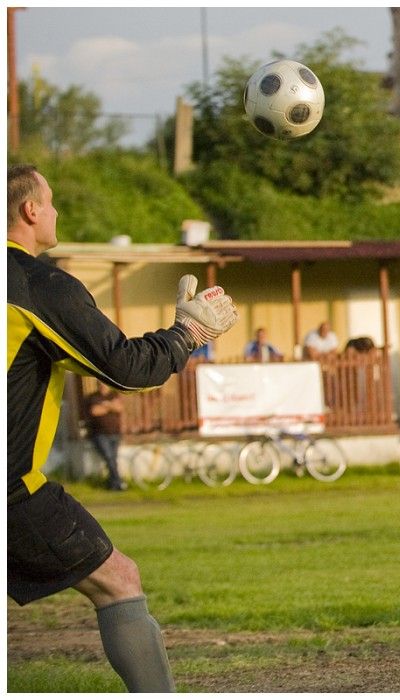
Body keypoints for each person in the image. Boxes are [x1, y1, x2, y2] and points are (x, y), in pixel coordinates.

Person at [7, 164, 238, 692]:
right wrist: (188, 333)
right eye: (51, 200)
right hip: (10, 489)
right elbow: (126, 369)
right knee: (118, 581)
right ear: (30, 210)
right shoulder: (34, 283)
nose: (57, 211)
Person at [84, 382, 127, 491]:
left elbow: (119, 408)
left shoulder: (114, 395)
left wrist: (105, 405)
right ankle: (118, 483)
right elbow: (95, 411)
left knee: (113, 459)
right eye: (101, 384)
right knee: (109, 457)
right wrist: (110, 406)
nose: (103, 386)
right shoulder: (94, 397)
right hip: (100, 434)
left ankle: (113, 484)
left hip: (115, 433)